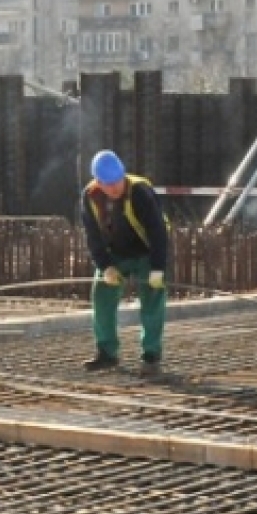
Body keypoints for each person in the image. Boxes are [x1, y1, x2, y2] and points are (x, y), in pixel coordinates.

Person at [79, 149, 170, 374]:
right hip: (116, 254)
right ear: (98, 182)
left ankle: (151, 356)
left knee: (151, 301)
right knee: (102, 296)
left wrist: (158, 268)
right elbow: (93, 237)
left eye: (118, 181)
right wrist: (105, 267)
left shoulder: (140, 191)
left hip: (147, 252)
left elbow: (158, 232)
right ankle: (107, 353)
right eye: (109, 184)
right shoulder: (90, 196)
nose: (116, 187)